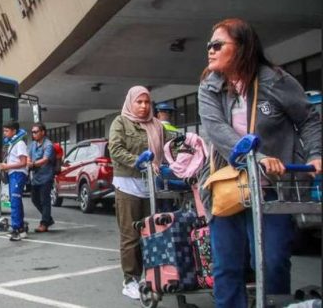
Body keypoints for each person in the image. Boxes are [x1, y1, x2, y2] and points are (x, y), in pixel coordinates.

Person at [197, 18, 321, 308]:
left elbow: (308, 119)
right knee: (226, 267)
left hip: (272, 190)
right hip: (227, 188)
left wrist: (316, 154)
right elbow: (218, 132)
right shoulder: (209, 86)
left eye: (217, 45)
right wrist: (260, 159)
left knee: (272, 261)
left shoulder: (275, 80)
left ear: (241, 47)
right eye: (209, 46)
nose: (210, 51)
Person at [108, 86, 168, 300]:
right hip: (128, 186)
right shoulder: (120, 122)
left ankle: (152, 276)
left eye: (147, 102)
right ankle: (130, 280)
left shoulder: (157, 125)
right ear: (130, 102)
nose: (143, 106)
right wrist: (138, 162)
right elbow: (115, 149)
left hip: (153, 187)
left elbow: (170, 147)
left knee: (152, 233)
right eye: (139, 102)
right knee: (131, 235)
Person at [0, 120, 28, 242]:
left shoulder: (20, 143)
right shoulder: (12, 143)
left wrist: (7, 167)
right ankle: (20, 228)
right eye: (4, 130)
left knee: (15, 202)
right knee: (15, 201)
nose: (4, 133)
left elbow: (23, 162)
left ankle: (16, 229)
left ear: (14, 131)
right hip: (13, 174)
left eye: (7, 131)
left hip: (18, 174)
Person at [26, 123, 55, 232]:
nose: (33, 134)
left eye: (36, 132)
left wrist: (32, 164)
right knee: (34, 199)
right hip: (36, 177)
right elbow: (28, 156)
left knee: (44, 200)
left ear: (43, 132)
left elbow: (45, 160)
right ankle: (48, 219)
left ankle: (44, 223)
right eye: (32, 132)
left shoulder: (48, 145)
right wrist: (29, 161)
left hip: (46, 177)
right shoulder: (33, 144)